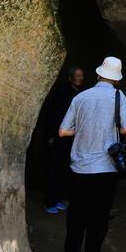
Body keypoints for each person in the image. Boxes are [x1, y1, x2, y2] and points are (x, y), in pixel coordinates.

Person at [56, 56, 126, 252]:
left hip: (78, 171)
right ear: (117, 78)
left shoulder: (80, 98)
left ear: (99, 74)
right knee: (96, 230)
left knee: (74, 229)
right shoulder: (119, 97)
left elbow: (63, 131)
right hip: (104, 173)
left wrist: (85, 129)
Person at [42, 67, 85, 214]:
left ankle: (59, 198)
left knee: (65, 168)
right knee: (54, 168)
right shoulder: (61, 93)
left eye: (82, 76)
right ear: (70, 78)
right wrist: (50, 136)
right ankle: (50, 201)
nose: (80, 78)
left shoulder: (80, 93)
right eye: (78, 76)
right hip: (58, 136)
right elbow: (51, 114)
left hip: (71, 137)